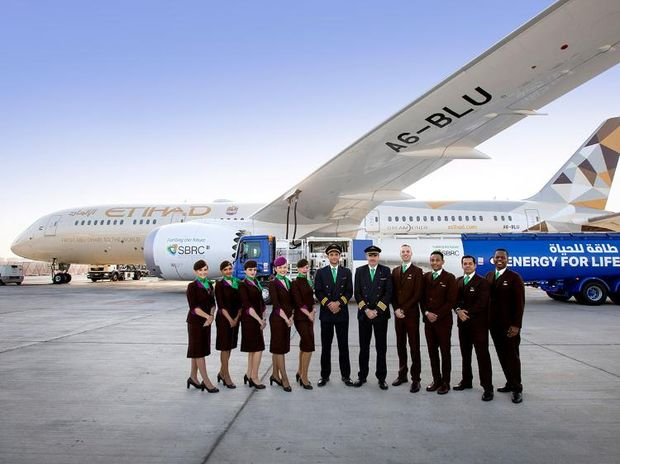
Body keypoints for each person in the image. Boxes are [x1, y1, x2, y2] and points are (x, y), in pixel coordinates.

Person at [486, 248, 525, 404]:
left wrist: (516, 325)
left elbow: (520, 303)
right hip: (494, 325)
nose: (499, 259)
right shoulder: (490, 276)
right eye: (497, 257)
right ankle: (509, 383)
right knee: (502, 356)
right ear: (493, 259)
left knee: (512, 357)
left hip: (509, 326)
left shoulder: (514, 278)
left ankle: (517, 389)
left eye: (502, 257)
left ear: (507, 259)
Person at [454, 255, 494, 401]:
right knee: (465, 355)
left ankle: (487, 387)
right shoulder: (458, 281)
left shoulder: (482, 282)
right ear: (462, 265)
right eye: (465, 264)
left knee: (482, 356)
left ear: (475, 265)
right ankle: (466, 381)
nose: (467, 266)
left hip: (478, 326)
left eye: (470, 263)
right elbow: (454, 300)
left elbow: (482, 303)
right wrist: (458, 310)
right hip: (463, 325)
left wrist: (466, 313)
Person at [353, 245, 393, 389]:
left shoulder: (385, 271)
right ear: (366, 257)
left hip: (380, 316)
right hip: (364, 316)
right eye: (370, 255)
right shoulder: (360, 271)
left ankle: (381, 378)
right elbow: (357, 293)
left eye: (375, 255)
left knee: (381, 348)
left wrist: (376, 310)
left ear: (378, 257)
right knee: (364, 348)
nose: (373, 258)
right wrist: (366, 310)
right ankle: (362, 376)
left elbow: (388, 293)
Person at [314, 243, 354, 387]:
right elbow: (318, 291)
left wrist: (339, 304)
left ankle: (346, 376)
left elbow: (349, 291)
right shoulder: (321, 272)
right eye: (331, 255)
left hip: (341, 313)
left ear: (340, 256)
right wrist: (329, 304)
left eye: (336, 254)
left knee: (343, 346)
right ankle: (324, 376)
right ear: (328, 256)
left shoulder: (346, 272)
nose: (334, 257)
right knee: (326, 346)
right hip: (326, 314)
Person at [421, 251, 457, 395]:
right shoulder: (425, 277)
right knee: (432, 352)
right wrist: (426, 313)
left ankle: (445, 382)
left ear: (442, 262)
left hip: (443, 322)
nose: (434, 262)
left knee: (445, 352)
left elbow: (451, 300)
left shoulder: (449, 278)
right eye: (432, 260)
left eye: (437, 260)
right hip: (428, 321)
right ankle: (436, 380)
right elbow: (421, 299)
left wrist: (437, 315)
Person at [390, 244, 424, 393]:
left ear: (411, 253)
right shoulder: (395, 271)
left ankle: (416, 379)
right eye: (403, 252)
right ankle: (402, 374)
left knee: (414, 346)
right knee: (400, 345)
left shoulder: (418, 271)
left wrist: (403, 309)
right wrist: (396, 309)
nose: (405, 253)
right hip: (398, 315)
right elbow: (392, 293)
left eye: (407, 251)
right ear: (400, 254)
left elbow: (418, 294)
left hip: (411, 314)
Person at [185, 259, 218, 393]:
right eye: (200, 270)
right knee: (199, 352)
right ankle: (206, 381)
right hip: (195, 323)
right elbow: (194, 308)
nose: (203, 272)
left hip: (207, 322)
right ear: (195, 271)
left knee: (198, 350)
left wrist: (212, 315)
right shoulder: (192, 286)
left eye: (205, 270)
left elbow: (213, 303)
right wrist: (208, 317)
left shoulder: (210, 285)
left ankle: (193, 377)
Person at [239, 260, 267, 390]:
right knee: (258, 349)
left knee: (252, 350)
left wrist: (264, 317)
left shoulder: (256, 283)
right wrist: (259, 320)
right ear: (245, 271)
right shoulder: (243, 285)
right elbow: (247, 306)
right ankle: (255, 377)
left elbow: (261, 303)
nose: (253, 272)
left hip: (257, 319)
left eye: (255, 270)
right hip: (250, 320)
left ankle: (249, 374)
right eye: (250, 270)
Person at [214, 260, 241, 389]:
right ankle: (226, 376)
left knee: (230, 346)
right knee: (224, 347)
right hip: (224, 319)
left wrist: (236, 318)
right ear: (222, 271)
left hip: (236, 318)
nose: (228, 271)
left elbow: (241, 303)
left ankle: (221, 372)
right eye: (225, 269)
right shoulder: (219, 285)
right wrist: (230, 319)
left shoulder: (237, 283)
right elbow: (221, 305)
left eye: (230, 268)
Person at [268, 256, 294, 392]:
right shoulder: (273, 283)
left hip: (287, 318)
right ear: (275, 269)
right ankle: (284, 378)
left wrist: (292, 316)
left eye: (285, 267)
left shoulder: (288, 281)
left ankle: (274, 375)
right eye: (280, 267)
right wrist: (286, 319)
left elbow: (292, 302)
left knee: (278, 348)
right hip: (278, 319)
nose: (283, 269)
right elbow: (277, 305)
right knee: (280, 350)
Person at [290, 258, 316, 389]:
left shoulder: (308, 281)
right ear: (298, 269)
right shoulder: (295, 283)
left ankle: (300, 372)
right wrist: (308, 314)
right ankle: (304, 377)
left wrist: (313, 310)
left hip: (310, 316)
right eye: (303, 267)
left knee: (304, 345)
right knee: (308, 345)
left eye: (307, 267)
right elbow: (298, 302)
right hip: (301, 317)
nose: (306, 269)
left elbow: (311, 299)